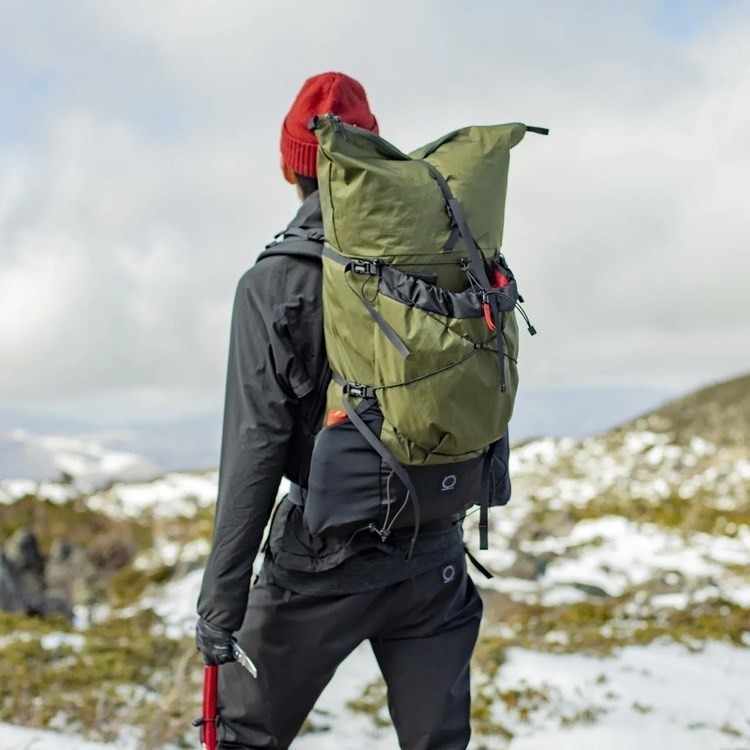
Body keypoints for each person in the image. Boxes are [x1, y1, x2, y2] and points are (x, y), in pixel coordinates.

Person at [195, 72, 483, 750]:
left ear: (289, 165)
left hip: (322, 564)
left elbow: (256, 447)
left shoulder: (273, 284)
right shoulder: (441, 258)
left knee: (243, 737)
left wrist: (220, 607)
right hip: (435, 549)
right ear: (371, 155)